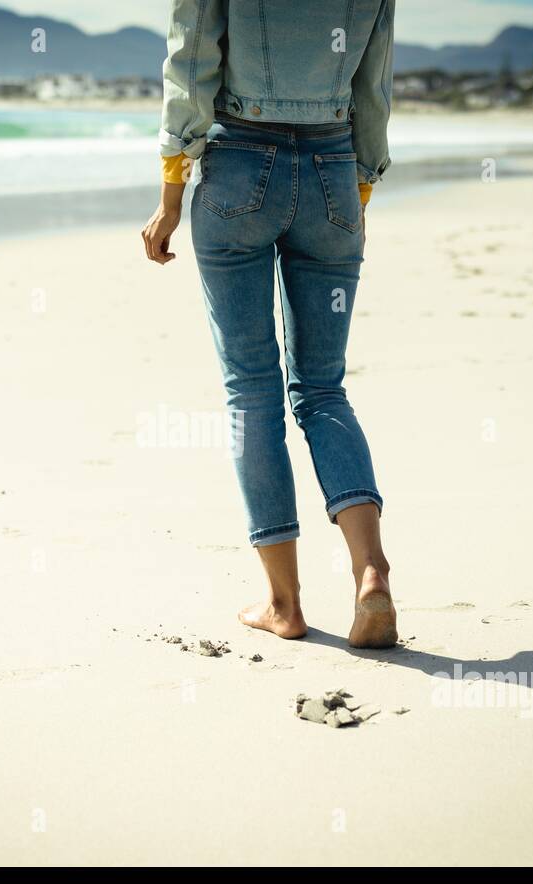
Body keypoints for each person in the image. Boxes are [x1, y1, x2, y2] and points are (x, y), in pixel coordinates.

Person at [141, 1, 397, 648]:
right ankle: (371, 572)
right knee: (323, 388)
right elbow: (374, 81)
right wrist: (358, 189)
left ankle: (284, 604)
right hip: (334, 169)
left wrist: (171, 193)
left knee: (252, 390)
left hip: (239, 169)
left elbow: (191, 61)